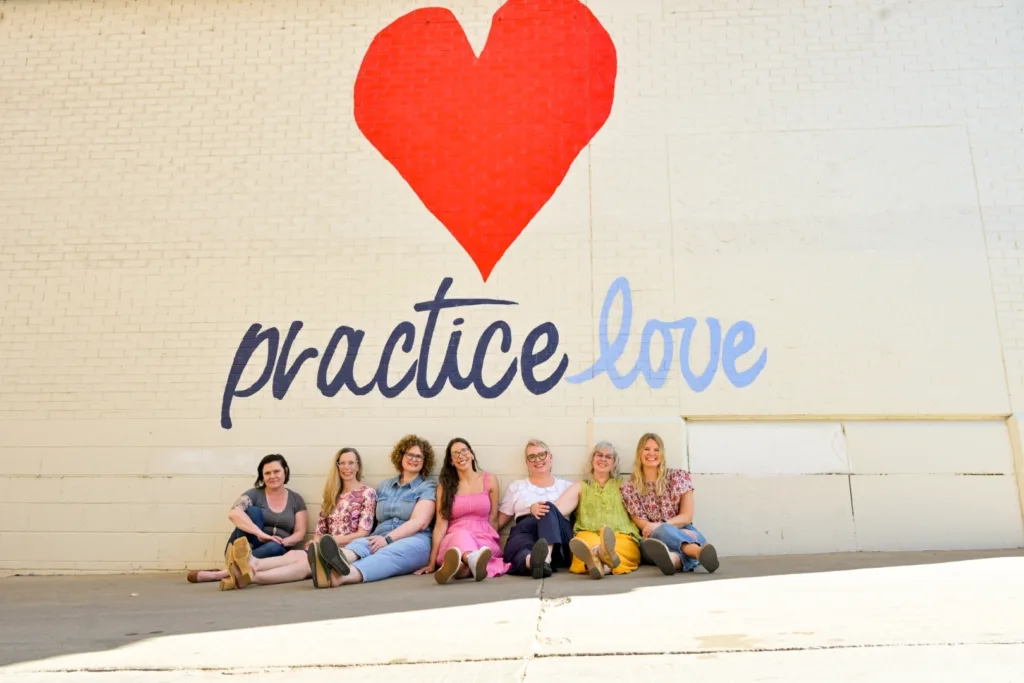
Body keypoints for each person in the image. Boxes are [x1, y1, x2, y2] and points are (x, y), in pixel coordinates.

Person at [219, 447, 376, 589]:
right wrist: (317, 541)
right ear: (337, 466)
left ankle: (252, 576)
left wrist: (326, 543)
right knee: (294, 555)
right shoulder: (330, 495)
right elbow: (320, 531)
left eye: (350, 463)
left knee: (304, 565)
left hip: (348, 548)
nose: (346, 467)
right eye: (342, 463)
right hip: (322, 545)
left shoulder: (367, 493)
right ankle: (251, 564)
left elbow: (363, 533)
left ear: (357, 466)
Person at [310, 434, 438, 587]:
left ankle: (337, 578)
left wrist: (387, 540)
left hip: (414, 540)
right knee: (359, 545)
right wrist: (381, 539)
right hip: (379, 536)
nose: (414, 459)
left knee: (387, 554)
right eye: (409, 454)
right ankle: (332, 560)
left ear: (425, 462)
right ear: (401, 455)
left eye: (419, 456)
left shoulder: (427, 486)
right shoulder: (385, 486)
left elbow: (420, 522)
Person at [188, 454, 307, 589]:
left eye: (276, 471)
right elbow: (234, 513)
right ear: (262, 476)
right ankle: (240, 564)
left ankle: (223, 573)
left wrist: (283, 541)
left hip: (273, 550)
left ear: (285, 471)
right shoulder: (254, 494)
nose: (272, 476)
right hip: (246, 543)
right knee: (253, 512)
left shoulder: (296, 499)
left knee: (275, 546)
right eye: (267, 473)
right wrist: (259, 533)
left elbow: (300, 532)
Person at [621, 433, 719, 575]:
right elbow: (642, 523)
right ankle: (696, 552)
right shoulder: (629, 488)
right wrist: (659, 528)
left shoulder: (677, 477)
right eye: (646, 449)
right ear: (639, 453)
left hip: (683, 529)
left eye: (656, 449)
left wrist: (665, 526)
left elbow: (687, 516)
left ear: (662, 453)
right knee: (652, 543)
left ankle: (673, 561)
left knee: (665, 532)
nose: (651, 453)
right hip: (651, 538)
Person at [416, 438, 510, 584]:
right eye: (455, 454)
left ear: (472, 454)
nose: (460, 456)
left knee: (469, 560)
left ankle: (459, 567)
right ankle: (471, 560)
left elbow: (493, 519)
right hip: (454, 539)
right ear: (451, 462)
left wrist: (495, 542)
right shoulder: (445, 487)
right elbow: (440, 525)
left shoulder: (489, 479)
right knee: (462, 536)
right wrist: (432, 562)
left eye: (464, 451)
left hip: (483, 538)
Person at [557, 441, 642, 579]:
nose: (603, 459)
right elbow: (559, 508)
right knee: (584, 544)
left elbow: (639, 512)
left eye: (608, 457)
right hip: (588, 533)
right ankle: (602, 557)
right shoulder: (580, 486)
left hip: (621, 535)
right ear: (592, 460)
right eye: (599, 455)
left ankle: (599, 563)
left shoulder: (624, 486)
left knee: (620, 547)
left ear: (614, 463)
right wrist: (537, 508)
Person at [497, 439, 576, 579]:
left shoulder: (566, 486)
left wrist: (535, 508)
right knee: (520, 547)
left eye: (542, 454)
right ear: (527, 462)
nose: (537, 460)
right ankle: (532, 562)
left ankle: (545, 558)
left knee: (547, 507)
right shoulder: (517, 487)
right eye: (532, 457)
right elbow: (499, 522)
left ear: (550, 457)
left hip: (557, 534)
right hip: (525, 529)